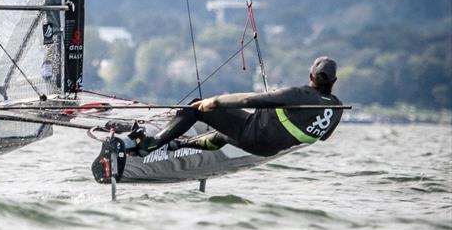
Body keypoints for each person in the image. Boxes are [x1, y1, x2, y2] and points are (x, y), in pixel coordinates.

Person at [132, 56, 344, 157]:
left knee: (195, 108)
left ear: (310, 77)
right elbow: (323, 136)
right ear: (333, 82)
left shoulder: (298, 94)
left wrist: (213, 101)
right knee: (224, 134)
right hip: (268, 149)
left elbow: (249, 100)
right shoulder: (337, 108)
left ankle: (150, 145)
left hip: (252, 134)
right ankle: (180, 146)